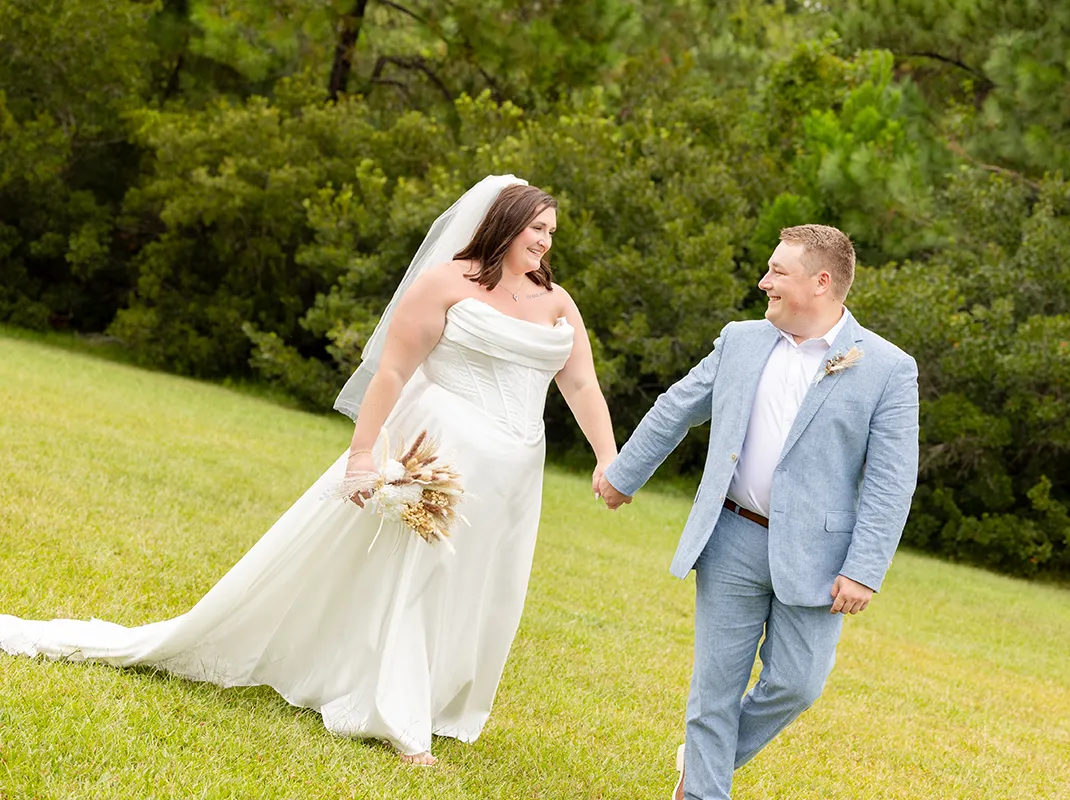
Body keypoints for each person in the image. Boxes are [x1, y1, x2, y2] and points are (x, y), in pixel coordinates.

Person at [0, 175, 618, 766]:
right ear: (504, 225)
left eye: (552, 232)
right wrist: (362, 456)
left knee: (483, 583)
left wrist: (606, 455)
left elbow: (581, 382)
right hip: (442, 452)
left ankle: (436, 701)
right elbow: (395, 372)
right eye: (536, 228)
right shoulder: (446, 283)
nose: (544, 241)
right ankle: (398, 719)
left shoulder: (557, 302)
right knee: (422, 575)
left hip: (515, 472)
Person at [597, 224, 919, 799]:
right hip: (730, 538)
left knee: (798, 684)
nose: (763, 280)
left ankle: (701, 761)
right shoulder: (741, 340)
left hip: (821, 556)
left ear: (822, 282)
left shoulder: (888, 369)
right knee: (714, 690)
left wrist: (865, 567)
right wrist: (624, 476)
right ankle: (702, 789)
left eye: (778, 272)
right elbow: (677, 408)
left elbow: (892, 481)